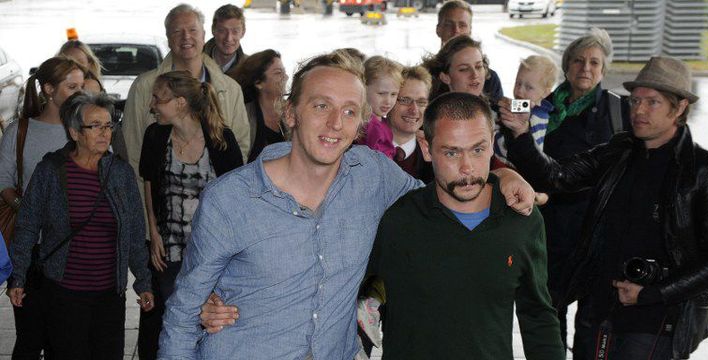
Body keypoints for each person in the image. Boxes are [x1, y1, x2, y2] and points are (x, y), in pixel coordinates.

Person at [157, 50, 535, 359]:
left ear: (361, 126)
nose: (336, 123)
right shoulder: (230, 199)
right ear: (290, 113)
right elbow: (182, 313)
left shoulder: (373, 176)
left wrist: (502, 176)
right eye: (321, 106)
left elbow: (444, 191)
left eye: (350, 111)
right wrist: (205, 306)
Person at [504, 56, 708, 360]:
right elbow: (557, 176)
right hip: (598, 310)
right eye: (635, 101)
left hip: (657, 319)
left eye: (652, 102)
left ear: (680, 107)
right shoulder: (619, 150)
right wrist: (521, 135)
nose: (639, 110)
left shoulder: (705, 170)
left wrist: (652, 293)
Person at [368, 91, 565, 359]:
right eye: (451, 152)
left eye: (478, 149)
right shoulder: (398, 221)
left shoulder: (521, 218)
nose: (467, 167)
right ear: (426, 148)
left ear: (492, 144)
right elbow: (364, 307)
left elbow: (538, 315)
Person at [501, 28, 629, 348]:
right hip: (546, 227)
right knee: (548, 311)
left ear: (603, 69)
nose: (586, 68)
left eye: (594, 63)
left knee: (592, 320)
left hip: (593, 233)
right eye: (578, 60)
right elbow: (507, 150)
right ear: (567, 65)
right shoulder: (541, 105)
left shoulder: (617, 111)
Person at [9, 92, 154, 360]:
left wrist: (143, 282)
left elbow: (133, 231)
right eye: (95, 126)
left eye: (108, 125)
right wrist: (18, 275)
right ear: (75, 133)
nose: (104, 133)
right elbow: (28, 224)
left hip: (110, 295)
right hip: (64, 293)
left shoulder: (120, 174)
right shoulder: (51, 170)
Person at [136, 71, 244, 359]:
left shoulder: (221, 139)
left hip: (210, 254)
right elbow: (149, 183)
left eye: (159, 99)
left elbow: (237, 200)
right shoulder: (156, 136)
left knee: (206, 323)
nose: (152, 105)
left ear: (181, 103)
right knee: (175, 320)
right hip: (169, 249)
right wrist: (154, 233)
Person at [0, 56, 84, 359]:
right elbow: (4, 182)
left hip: (75, 251)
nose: (79, 92)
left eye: (81, 86)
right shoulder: (20, 130)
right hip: (29, 252)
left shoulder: (85, 128)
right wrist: (28, 208)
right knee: (30, 337)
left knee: (65, 339)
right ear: (49, 89)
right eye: (71, 86)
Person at [123, 4, 251, 185]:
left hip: (217, 201)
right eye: (177, 32)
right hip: (162, 203)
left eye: (192, 30)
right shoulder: (143, 87)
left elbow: (241, 148)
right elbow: (132, 151)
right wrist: (145, 209)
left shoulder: (231, 89)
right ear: (167, 38)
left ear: (204, 35)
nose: (186, 37)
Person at [493, 55, 558, 166]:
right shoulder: (523, 107)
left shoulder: (536, 117)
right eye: (518, 83)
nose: (519, 91)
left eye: (529, 87)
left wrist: (493, 129)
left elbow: (509, 150)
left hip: (510, 169)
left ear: (545, 93)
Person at [434, 0, 503, 102]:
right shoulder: (425, 77)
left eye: (462, 25)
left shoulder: (489, 79)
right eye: (449, 24)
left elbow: (500, 113)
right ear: (438, 29)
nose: (456, 30)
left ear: (470, 30)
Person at [229, 49, 288, 163]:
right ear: (258, 83)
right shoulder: (243, 117)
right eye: (278, 73)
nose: (285, 77)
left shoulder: (292, 112)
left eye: (284, 71)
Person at [387, 65, 434, 183]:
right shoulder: (363, 149)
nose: (414, 110)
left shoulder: (435, 159)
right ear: (388, 101)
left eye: (421, 102)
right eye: (405, 100)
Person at [356, 55, 403, 159]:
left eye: (393, 94)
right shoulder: (371, 126)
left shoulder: (381, 122)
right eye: (381, 93)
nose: (388, 101)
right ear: (363, 88)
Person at [424, 35, 489, 101]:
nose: (475, 75)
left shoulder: (491, 109)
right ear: (445, 78)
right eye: (464, 69)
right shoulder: (433, 110)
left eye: (478, 67)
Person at [203, 4, 247, 74]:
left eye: (235, 31)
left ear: (243, 32)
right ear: (213, 30)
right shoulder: (195, 63)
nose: (229, 38)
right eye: (222, 31)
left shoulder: (251, 68)